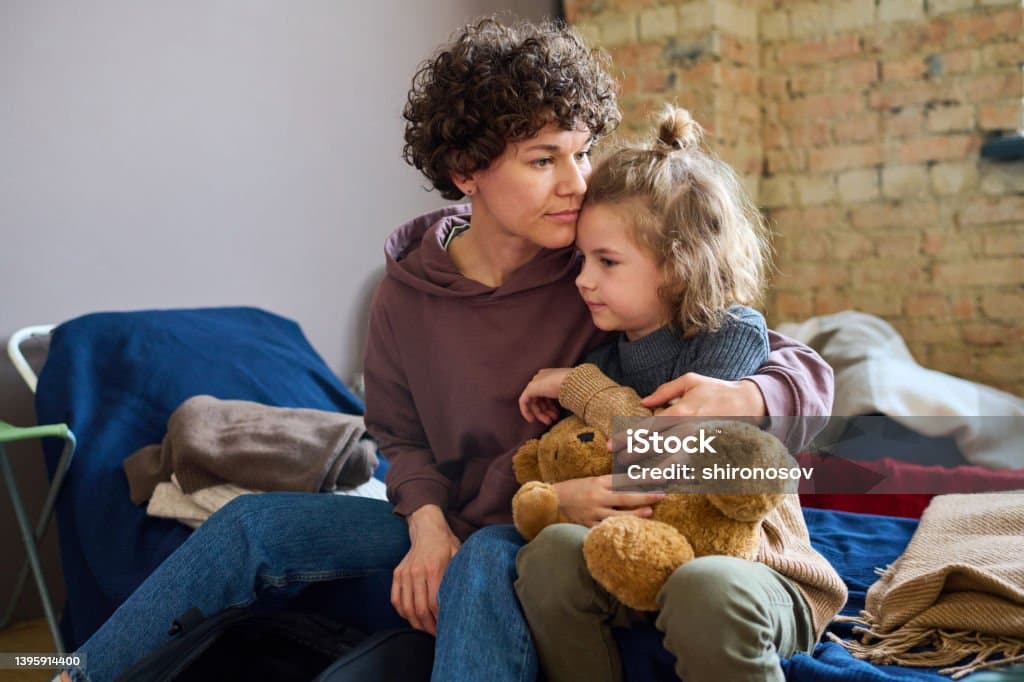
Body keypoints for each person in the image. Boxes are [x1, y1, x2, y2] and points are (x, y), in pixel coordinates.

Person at [62, 17, 834, 682]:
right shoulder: (405, 295)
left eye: (583, 152)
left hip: (529, 523)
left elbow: (772, 350)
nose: (577, 182)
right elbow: (398, 437)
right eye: (544, 159)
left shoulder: (597, 267)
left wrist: (748, 396)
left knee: (484, 564)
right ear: (467, 173)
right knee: (252, 526)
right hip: (450, 511)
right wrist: (426, 525)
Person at [512, 107, 847, 682]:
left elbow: (666, 454)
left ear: (677, 267)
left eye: (607, 262)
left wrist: (579, 388)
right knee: (548, 554)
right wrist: (562, 493)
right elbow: (594, 459)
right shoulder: (605, 356)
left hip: (754, 571)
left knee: (705, 584)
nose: (583, 279)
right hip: (641, 561)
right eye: (583, 259)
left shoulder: (729, 334)